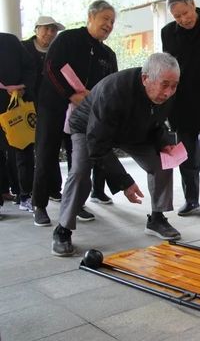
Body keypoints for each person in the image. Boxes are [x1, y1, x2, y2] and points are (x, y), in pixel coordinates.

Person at [51, 52, 181, 256]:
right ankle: (63, 229)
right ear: (146, 78)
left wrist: (164, 144)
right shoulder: (113, 91)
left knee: (162, 162)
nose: (169, 92)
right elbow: (98, 144)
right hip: (89, 129)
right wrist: (124, 182)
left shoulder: (166, 93)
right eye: (165, 84)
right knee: (80, 172)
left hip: (130, 131)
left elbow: (156, 123)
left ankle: (157, 218)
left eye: (174, 86)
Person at [32, 0, 118, 227]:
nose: (109, 25)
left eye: (112, 21)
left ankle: (75, 203)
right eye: (105, 19)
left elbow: (111, 86)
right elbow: (50, 68)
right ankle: (39, 205)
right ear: (91, 17)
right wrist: (71, 94)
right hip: (54, 105)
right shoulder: (68, 39)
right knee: (46, 154)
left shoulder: (108, 54)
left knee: (79, 159)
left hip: (85, 114)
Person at [161, 0, 200, 218]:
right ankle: (191, 200)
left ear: (193, 4)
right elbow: (168, 66)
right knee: (187, 159)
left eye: (185, 13)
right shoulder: (168, 33)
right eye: (177, 16)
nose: (183, 19)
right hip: (182, 106)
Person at [22, 16, 65, 202]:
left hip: (51, 104)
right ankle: (25, 191)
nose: (50, 33)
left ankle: (54, 189)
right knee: (25, 149)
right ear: (36, 29)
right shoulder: (23, 48)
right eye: (46, 29)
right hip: (26, 105)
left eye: (53, 30)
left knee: (50, 148)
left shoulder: (59, 50)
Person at [0, 33, 36, 213]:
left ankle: (25, 195)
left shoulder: (10, 41)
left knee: (23, 150)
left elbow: (31, 68)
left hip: (15, 105)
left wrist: (23, 87)